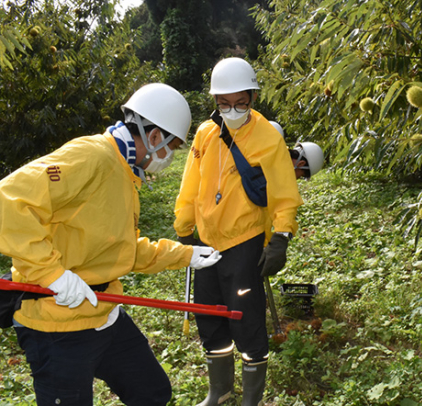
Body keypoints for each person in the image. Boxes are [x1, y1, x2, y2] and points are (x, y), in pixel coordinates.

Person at [0, 83, 222, 406]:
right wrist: (53, 275)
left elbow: (123, 249)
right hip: (58, 325)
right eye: (172, 147)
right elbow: (8, 202)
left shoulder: (124, 171)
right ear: (154, 136)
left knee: (152, 392)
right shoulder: (93, 156)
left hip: (104, 312)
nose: (170, 157)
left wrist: (186, 254)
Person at [174, 57, 303, 406]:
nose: (232, 110)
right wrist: (184, 227)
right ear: (215, 101)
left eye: (240, 103)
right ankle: (219, 391)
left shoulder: (267, 138)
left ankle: (251, 399)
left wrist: (281, 237)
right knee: (209, 317)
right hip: (206, 244)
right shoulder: (205, 134)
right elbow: (190, 186)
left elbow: (284, 193)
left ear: (253, 97)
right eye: (224, 104)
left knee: (245, 321)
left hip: (244, 242)